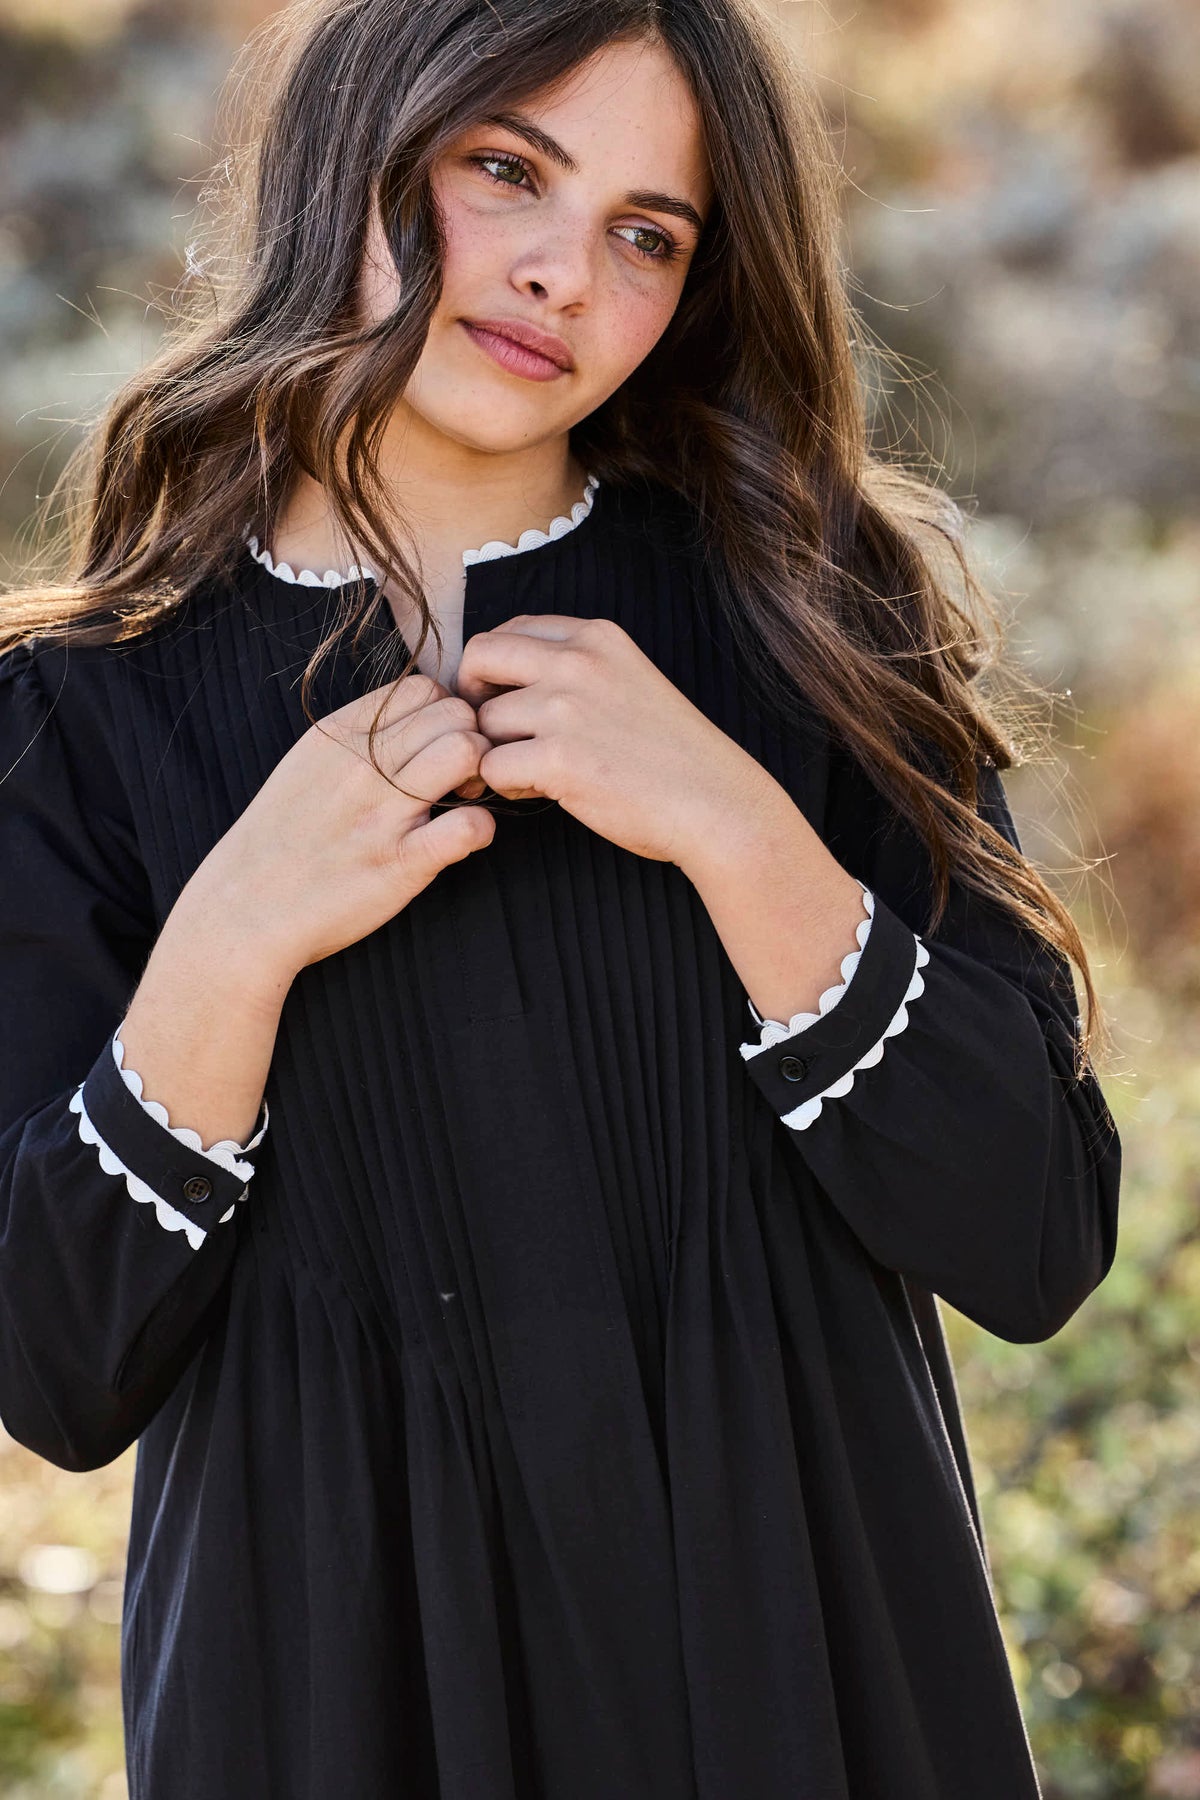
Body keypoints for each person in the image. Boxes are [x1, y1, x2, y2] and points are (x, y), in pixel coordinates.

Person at [0, 1, 1120, 1795]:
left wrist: (740, 833)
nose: (561, 275)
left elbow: (1036, 1232)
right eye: (505, 170)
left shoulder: (812, 610)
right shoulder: (71, 711)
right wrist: (234, 937)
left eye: (646, 233)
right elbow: (54, 1368)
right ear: (355, 152)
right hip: (332, 1708)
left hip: (801, 1685)